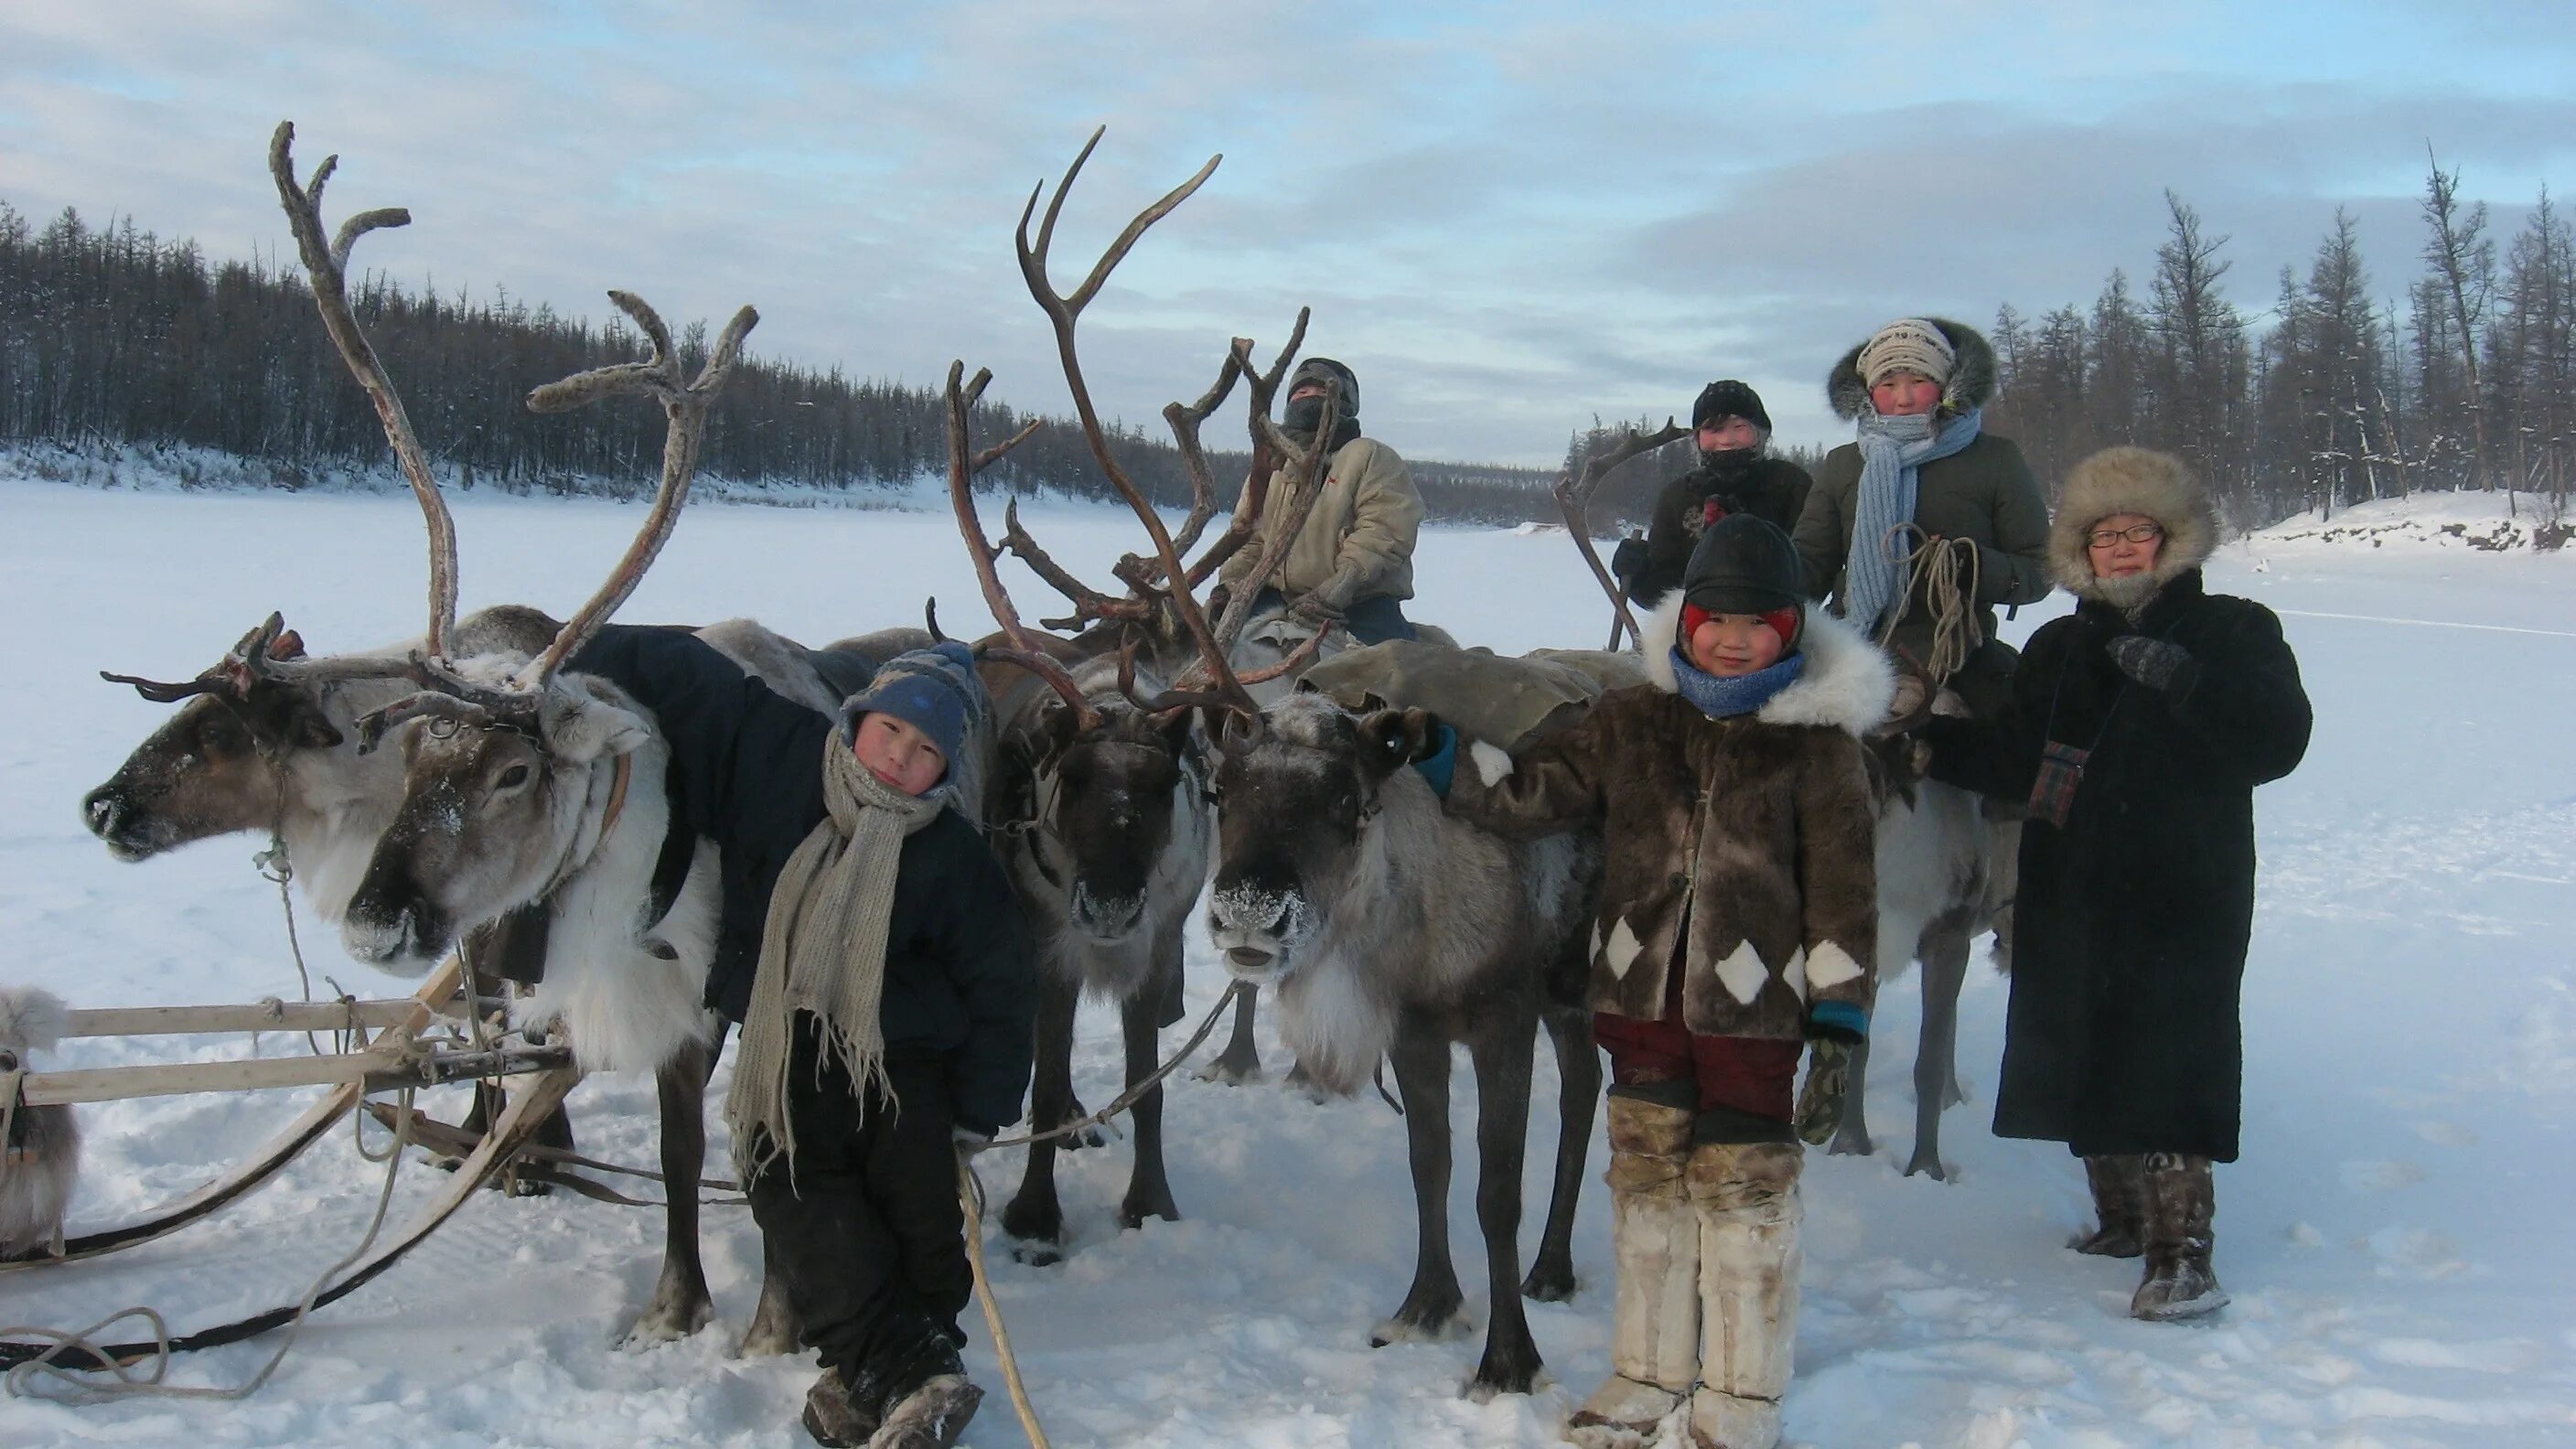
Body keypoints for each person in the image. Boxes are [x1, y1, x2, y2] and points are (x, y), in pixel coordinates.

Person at [1413, 514, 1885, 1449]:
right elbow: (1532, 797)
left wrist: (1838, 1015)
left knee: (1743, 1191)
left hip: (1754, 1010)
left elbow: (1842, 889)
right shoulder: (1630, 719)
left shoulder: (1818, 746)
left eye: (1756, 623)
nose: (1732, 637)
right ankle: (1647, 1372)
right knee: (1646, 1185)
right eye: (1714, 619)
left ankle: (1741, 1396)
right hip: (1637, 998)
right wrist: (1444, 764)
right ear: (1684, 622)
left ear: (1789, 631)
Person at [570, 631, 1037, 1448]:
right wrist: (569, 648)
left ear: (948, 769)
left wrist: (981, 1108)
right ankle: (906, 1376)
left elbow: (1003, 985)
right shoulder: (783, 763)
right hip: (787, 1050)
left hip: (906, 1065)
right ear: (859, 718)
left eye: (926, 749)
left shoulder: (953, 856)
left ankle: (892, 1376)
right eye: (890, 730)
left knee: (919, 1218)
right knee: (793, 1194)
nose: (898, 758)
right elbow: (697, 683)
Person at [1916, 446, 2310, 1322]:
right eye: (2105, 537)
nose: (2123, 549)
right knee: (2083, 1039)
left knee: (2170, 1052)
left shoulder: (2234, 629)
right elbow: (2014, 756)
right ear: (2081, 553)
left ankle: (2183, 1255)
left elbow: (2277, 743)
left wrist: (2188, 683)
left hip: (2183, 884)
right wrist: (1925, 745)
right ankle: (2121, 1221)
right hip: (2070, 879)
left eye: (2141, 533)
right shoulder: (2059, 644)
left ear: (2175, 541)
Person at [1792, 317, 2051, 717]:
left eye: (1919, 380)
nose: (1903, 399)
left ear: (1948, 385)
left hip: (1954, 662)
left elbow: (2039, 569)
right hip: (1848, 657)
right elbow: (1810, 563)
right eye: (1888, 384)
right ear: (1869, 392)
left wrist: (1969, 566)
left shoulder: (1996, 459)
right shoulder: (1843, 464)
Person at [1214, 355, 1426, 644]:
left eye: (1322, 392)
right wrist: (1231, 586)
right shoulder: (1273, 465)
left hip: (1358, 603)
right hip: (1277, 597)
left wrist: (1338, 589)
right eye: (1301, 392)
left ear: (1345, 403)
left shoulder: (1368, 455)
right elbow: (1251, 538)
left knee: (1382, 676)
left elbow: (1384, 533)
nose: (1309, 398)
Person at [1612, 379, 1813, 607]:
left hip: (1777, 622)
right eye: (1713, 429)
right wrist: (1639, 576)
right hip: (1700, 629)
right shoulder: (1679, 497)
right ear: (1697, 438)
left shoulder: (1790, 485)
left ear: (1760, 433)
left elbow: (1813, 570)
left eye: (1739, 427)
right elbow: (1663, 595)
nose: (1726, 440)